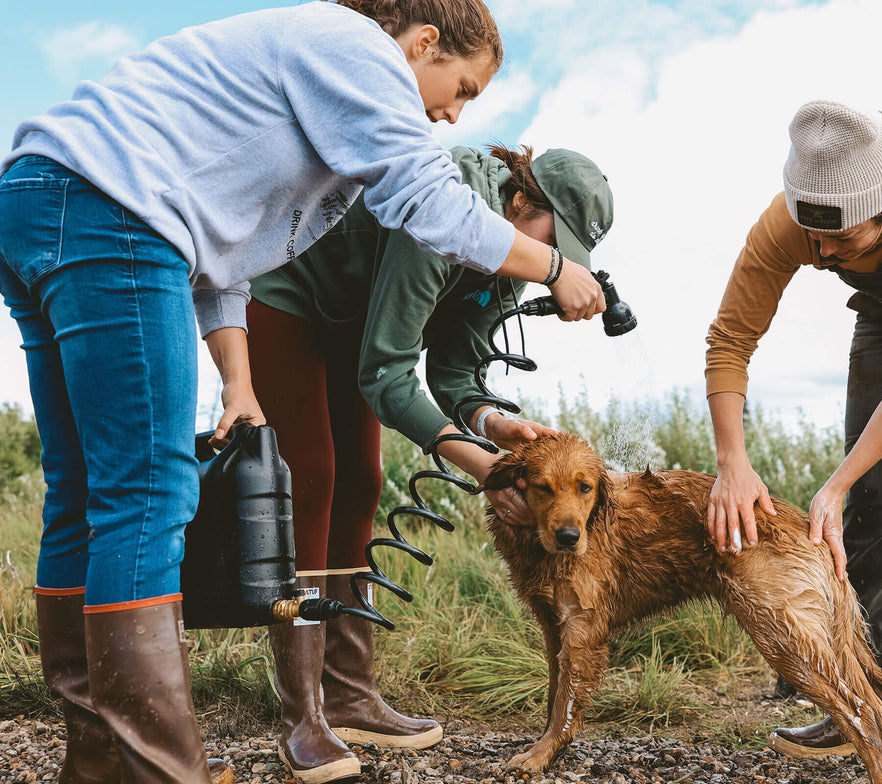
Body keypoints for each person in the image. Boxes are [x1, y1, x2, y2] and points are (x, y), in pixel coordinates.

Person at [0, 1, 605, 782]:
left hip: (41, 195)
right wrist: (556, 268)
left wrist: (238, 382)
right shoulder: (353, 47)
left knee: (83, 488)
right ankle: (163, 771)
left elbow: (225, 258)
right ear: (423, 43)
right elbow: (430, 206)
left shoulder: (312, 100)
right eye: (462, 87)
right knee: (148, 490)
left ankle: (100, 762)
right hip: (109, 209)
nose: (455, 113)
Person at [243, 141, 614, 783]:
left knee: (362, 481)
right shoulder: (444, 207)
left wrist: (493, 424)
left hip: (358, 321)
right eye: (554, 243)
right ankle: (303, 715)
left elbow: (454, 372)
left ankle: (349, 695)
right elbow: (387, 375)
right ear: (520, 202)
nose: (550, 266)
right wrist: (482, 467)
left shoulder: (509, 263)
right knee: (313, 476)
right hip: (288, 291)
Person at [702, 99, 882, 769]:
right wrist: (732, 463)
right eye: (813, 235)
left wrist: (832, 483)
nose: (821, 254)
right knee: (874, 495)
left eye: (839, 240)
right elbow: (730, 340)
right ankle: (867, 700)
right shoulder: (794, 219)